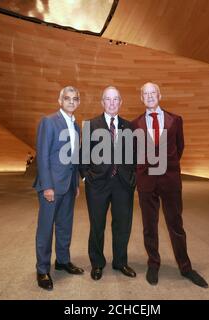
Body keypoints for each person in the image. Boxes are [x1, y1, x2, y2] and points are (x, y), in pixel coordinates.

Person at [131, 82, 208, 288]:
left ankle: (185, 267)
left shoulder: (175, 120)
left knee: (175, 225)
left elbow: (179, 147)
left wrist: (168, 166)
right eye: (145, 93)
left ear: (160, 95)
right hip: (146, 181)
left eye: (153, 93)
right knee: (149, 225)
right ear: (141, 98)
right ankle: (153, 263)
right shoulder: (135, 124)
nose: (149, 96)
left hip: (170, 180)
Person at [80, 86, 136, 281]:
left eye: (116, 99)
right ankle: (97, 263)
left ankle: (120, 262)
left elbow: (134, 156)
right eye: (108, 99)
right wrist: (86, 177)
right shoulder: (91, 125)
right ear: (102, 102)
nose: (112, 103)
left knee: (122, 225)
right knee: (97, 225)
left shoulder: (129, 127)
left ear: (121, 102)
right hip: (97, 185)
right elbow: (83, 155)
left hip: (123, 185)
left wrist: (132, 178)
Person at [32, 86, 84, 291]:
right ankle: (42, 269)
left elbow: (74, 158)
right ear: (60, 101)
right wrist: (47, 186)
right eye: (67, 98)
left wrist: (76, 183)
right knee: (46, 229)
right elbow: (42, 155)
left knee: (65, 226)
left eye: (75, 99)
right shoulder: (49, 121)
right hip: (51, 187)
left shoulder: (76, 126)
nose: (71, 101)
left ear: (78, 103)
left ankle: (62, 261)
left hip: (69, 186)